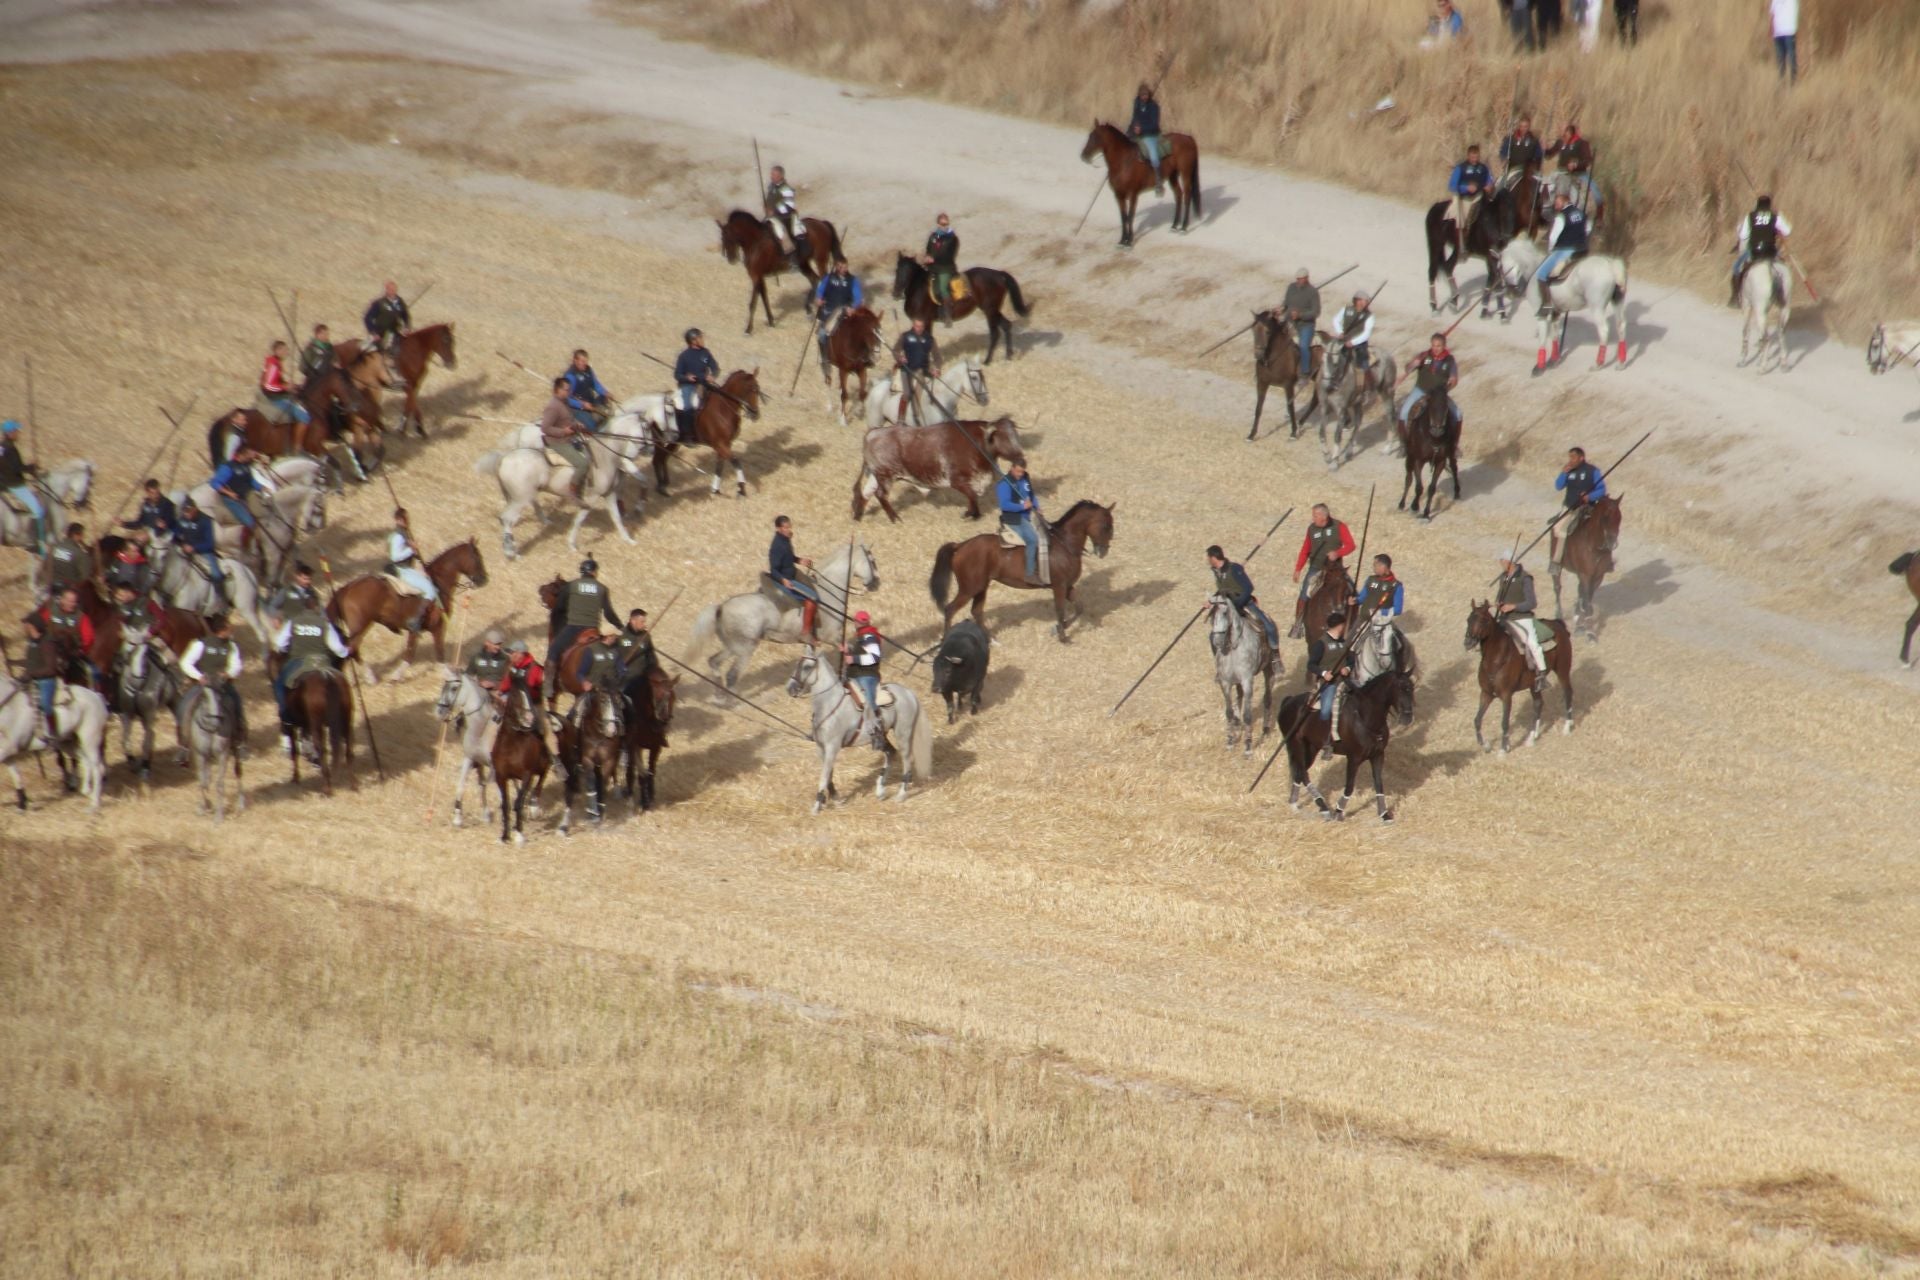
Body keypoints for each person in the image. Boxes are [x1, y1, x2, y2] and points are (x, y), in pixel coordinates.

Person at [272, 596, 352, 722]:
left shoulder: (294, 622)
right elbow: (337, 649)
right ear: (317, 609)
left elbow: (279, 643)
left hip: (298, 660)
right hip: (322, 662)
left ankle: (286, 716)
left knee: (279, 684)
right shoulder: (324, 624)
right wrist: (347, 651)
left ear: (303, 608)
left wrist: (285, 648)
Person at [547, 558, 621, 694]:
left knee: (553, 650)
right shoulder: (602, 588)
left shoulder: (572, 586)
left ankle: (549, 685)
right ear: (594, 572)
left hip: (573, 628)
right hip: (592, 630)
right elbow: (609, 613)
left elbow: (559, 608)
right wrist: (621, 627)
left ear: (582, 572)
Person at [178, 611, 245, 750]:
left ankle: (239, 741)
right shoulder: (200, 644)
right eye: (229, 626)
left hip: (223, 685)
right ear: (222, 629)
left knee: (237, 705)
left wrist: (228, 673)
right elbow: (186, 662)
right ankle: (184, 745)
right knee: (184, 706)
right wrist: (199, 676)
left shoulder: (232, 646)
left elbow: (236, 665)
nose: (232, 628)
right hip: (204, 684)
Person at [1291, 503, 1356, 636]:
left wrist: (1338, 553)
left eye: (1315, 515)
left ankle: (1354, 620)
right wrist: (1298, 568)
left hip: (1335, 569)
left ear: (1323, 516)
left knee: (1352, 590)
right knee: (1305, 593)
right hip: (1316, 568)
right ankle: (1298, 624)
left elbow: (1351, 545)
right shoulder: (1311, 529)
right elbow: (1305, 550)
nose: (1313, 518)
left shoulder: (1339, 526)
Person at [1207, 544, 1278, 649]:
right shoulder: (1217, 572)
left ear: (1213, 558)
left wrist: (1237, 603)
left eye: (1208, 557)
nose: (1207, 560)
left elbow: (1248, 587)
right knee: (1214, 635)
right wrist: (1211, 601)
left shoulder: (1235, 568)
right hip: (1228, 607)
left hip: (1244, 604)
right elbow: (1222, 590)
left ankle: (1275, 656)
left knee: (1269, 627)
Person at [1495, 555, 1548, 689]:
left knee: (1532, 643)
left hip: (1522, 618)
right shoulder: (1503, 577)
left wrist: (1513, 606)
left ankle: (1542, 674)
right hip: (1505, 618)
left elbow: (1532, 602)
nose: (1500, 563)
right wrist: (1499, 603)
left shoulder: (1525, 578)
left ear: (1510, 561)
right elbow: (1500, 596)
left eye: (1502, 560)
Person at [1307, 610, 1354, 759]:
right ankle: (1326, 741)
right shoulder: (1321, 644)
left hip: (1345, 681)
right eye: (1343, 625)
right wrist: (1323, 674)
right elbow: (1311, 664)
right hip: (1330, 684)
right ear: (1339, 626)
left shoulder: (1344, 643)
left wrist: (1348, 668)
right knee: (1326, 709)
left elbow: (1351, 660)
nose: (1343, 628)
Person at [1535, 190, 1590, 313]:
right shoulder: (1582, 213)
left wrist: (1550, 251)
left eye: (1557, 203)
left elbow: (1553, 237)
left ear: (1565, 202)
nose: (1555, 205)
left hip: (1565, 251)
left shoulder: (1561, 216)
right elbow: (1588, 229)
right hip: (1582, 250)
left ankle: (1546, 304)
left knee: (1541, 274)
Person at [1730, 195, 1791, 307]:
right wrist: (1776, 225)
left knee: (1736, 268)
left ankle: (1736, 297)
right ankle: (1781, 295)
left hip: (1754, 251)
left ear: (1757, 205)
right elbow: (1787, 231)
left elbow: (1743, 236)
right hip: (1770, 251)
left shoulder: (1750, 216)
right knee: (1782, 270)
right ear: (1769, 205)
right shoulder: (1775, 216)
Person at [538, 376, 592, 500]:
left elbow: (568, 420)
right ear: (558, 390)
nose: (569, 392)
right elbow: (545, 428)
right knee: (583, 463)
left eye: (569, 390)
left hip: (569, 439)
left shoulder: (565, 402)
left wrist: (577, 424)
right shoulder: (553, 406)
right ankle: (573, 489)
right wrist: (563, 431)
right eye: (566, 390)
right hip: (558, 443)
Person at [1398, 332, 1463, 434]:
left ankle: (1453, 444)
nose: (1435, 348)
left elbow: (1454, 380)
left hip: (1439, 394)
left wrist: (1449, 386)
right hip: (1420, 390)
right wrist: (1413, 364)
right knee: (1404, 413)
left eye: (1438, 346)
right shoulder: (1424, 356)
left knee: (1458, 415)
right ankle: (1405, 441)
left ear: (1444, 346)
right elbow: (1407, 369)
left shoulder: (1449, 360)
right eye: (1433, 345)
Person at [1551, 446, 1608, 562]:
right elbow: (1558, 486)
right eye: (1570, 457)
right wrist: (1563, 473)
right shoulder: (1568, 471)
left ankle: (1605, 559)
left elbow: (1602, 489)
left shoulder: (1593, 471)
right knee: (1560, 530)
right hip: (1570, 508)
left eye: (1573, 457)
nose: (1571, 460)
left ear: (1581, 458)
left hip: (1588, 508)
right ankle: (1557, 560)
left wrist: (1589, 497)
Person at [387, 508, 437, 633]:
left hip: (408, 568)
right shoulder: (398, 536)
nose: (408, 521)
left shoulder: (403, 533)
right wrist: (412, 549)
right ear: (398, 520)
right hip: (402, 570)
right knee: (430, 590)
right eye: (405, 519)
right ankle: (416, 620)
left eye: (407, 518)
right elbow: (395, 556)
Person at [769, 515, 820, 635]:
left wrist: (799, 560)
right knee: (812, 598)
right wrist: (784, 580)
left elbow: (787, 557)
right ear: (778, 528)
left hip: (791, 574)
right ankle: (805, 633)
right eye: (785, 527)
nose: (788, 530)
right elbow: (773, 569)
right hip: (784, 580)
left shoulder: (785, 540)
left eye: (789, 527)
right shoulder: (777, 546)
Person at [1, 419, 45, 554]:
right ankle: (35, 542)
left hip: (2, 484)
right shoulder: (11, 448)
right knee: (38, 510)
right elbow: (16, 468)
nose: (18, 433)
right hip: (14, 484)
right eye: (16, 431)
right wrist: (32, 467)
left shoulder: (1, 447)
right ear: (10, 433)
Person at [844, 609, 886, 747]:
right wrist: (848, 650)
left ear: (857, 622)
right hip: (855, 675)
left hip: (867, 675)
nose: (855, 623)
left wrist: (853, 658)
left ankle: (878, 733)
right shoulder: (861, 636)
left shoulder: (869, 636)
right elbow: (861, 653)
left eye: (856, 621)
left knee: (869, 701)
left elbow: (874, 657)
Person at [175, 495, 227, 607]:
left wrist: (194, 548)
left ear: (195, 509)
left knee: (216, 574)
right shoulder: (182, 520)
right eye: (185, 512)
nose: (187, 514)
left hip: (204, 552)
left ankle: (222, 600)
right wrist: (180, 543)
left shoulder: (205, 520)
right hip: (185, 551)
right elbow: (176, 534)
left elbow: (210, 543)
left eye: (189, 511)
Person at [811, 256, 864, 363]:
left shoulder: (852, 280)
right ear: (836, 267)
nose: (844, 269)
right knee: (822, 335)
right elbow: (820, 291)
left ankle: (860, 355)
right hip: (829, 311)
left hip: (845, 311)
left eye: (845, 266)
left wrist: (853, 308)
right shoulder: (828, 278)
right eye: (841, 267)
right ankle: (825, 357)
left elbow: (858, 297)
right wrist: (818, 299)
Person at [20, 612, 63, 747]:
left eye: (26, 625)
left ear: (33, 626)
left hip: (46, 681)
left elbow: (51, 668)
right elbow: (31, 662)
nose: (24, 627)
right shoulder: (32, 642)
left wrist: (32, 674)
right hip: (32, 679)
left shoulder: (47, 643)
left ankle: (53, 732)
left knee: (45, 705)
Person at [997, 461, 1042, 586]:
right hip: (1013, 518)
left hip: (1026, 517)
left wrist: (1037, 507)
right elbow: (1004, 505)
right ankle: (1030, 574)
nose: (1020, 474)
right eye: (1018, 471)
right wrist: (1022, 506)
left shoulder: (1025, 478)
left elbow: (1031, 495)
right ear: (1011, 468)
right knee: (1033, 540)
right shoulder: (1004, 484)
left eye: (1022, 471)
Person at [672, 329, 721, 444]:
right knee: (688, 406)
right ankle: (687, 434)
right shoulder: (684, 356)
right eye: (700, 338)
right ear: (693, 341)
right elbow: (677, 374)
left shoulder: (706, 353)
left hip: (704, 384)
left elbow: (715, 367)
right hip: (688, 386)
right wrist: (687, 378)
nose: (702, 340)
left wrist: (713, 376)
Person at [1355, 554, 1404, 663]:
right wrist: (1355, 600)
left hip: (1381, 623)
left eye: (1376, 565)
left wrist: (1380, 611)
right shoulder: (1370, 580)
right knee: (1348, 644)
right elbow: (1362, 597)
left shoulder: (1396, 586)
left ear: (1384, 566)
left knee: (1397, 647)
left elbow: (1397, 609)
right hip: (1363, 620)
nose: (1374, 568)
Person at [1273, 267, 1321, 371]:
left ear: (1307, 278)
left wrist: (1300, 315)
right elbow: (1286, 303)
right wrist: (1280, 309)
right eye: (1298, 278)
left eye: (1301, 278)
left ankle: (1304, 372)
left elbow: (1316, 312)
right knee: (1275, 340)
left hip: (1305, 325)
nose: (1299, 281)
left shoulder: (1312, 292)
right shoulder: (1291, 287)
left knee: (1303, 347)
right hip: (1289, 322)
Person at [1447, 144, 1492, 253]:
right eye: (1472, 157)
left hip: (1479, 197)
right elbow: (1452, 185)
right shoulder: (1460, 168)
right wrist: (1466, 188)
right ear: (1468, 156)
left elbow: (1489, 180)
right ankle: (1462, 243)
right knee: (1463, 219)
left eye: (1476, 157)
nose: (1474, 159)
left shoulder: (1483, 168)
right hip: (1465, 198)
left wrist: (1489, 185)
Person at [1545, 122, 1599, 212]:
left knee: (1596, 194)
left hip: (1579, 173)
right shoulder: (1560, 142)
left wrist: (1576, 165)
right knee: (1545, 183)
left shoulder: (1582, 143)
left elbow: (1588, 160)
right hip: (1560, 172)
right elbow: (1549, 154)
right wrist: (1545, 149)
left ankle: (1596, 216)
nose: (1561, 133)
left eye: (1564, 131)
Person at [764, 164, 809, 271]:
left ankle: (793, 260)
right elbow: (769, 201)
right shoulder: (772, 187)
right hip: (773, 217)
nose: (771, 176)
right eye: (771, 174)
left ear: (780, 176)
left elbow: (789, 206)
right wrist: (767, 208)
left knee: (781, 232)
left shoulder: (786, 189)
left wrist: (773, 210)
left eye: (774, 174)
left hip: (785, 217)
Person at [892, 317, 941, 414]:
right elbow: (895, 350)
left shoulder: (930, 339)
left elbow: (938, 357)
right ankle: (901, 419)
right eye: (917, 326)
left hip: (924, 372)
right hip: (907, 370)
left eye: (921, 326)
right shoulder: (905, 336)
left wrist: (936, 368)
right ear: (913, 325)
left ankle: (919, 416)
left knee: (930, 395)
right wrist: (900, 358)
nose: (919, 328)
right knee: (906, 394)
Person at [1331, 292, 1377, 394]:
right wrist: (1339, 332)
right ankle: (1334, 380)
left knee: (1362, 363)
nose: (1367, 303)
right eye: (1365, 300)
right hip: (1343, 341)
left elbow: (1366, 333)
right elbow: (1336, 320)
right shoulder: (1346, 309)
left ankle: (1367, 386)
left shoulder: (1369, 316)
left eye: (1367, 301)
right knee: (1332, 356)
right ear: (1358, 300)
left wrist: (1353, 342)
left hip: (1359, 344)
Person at [257, 341, 310, 427]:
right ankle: (297, 441)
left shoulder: (276, 363)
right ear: (277, 351)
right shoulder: (273, 365)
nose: (287, 352)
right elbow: (268, 385)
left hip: (277, 394)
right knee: (304, 417)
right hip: (274, 397)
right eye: (285, 350)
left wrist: (292, 385)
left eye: (287, 350)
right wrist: (285, 387)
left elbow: (277, 381)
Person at [560, 348, 613, 433]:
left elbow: (595, 384)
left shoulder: (588, 370)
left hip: (590, 402)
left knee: (606, 404)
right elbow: (565, 398)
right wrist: (581, 404)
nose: (585, 364)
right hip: (576, 408)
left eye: (586, 361)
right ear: (575, 360)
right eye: (582, 361)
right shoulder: (570, 376)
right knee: (592, 427)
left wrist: (605, 392)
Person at [211, 446, 260, 536]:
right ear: (240, 455)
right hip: (233, 499)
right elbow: (215, 483)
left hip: (247, 495)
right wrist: (229, 493)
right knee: (249, 522)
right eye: (247, 455)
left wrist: (261, 487)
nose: (249, 457)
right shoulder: (228, 467)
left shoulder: (246, 466)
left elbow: (251, 481)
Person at [1128, 82, 1165, 194]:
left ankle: (1158, 181)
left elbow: (1154, 124)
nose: (1144, 96)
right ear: (1139, 95)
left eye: (1146, 94)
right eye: (1142, 94)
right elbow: (1134, 118)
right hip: (1137, 133)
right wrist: (1132, 129)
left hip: (1150, 134)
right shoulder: (1137, 103)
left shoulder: (1154, 107)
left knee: (1153, 155)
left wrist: (1142, 129)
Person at [923, 213, 960, 323]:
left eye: (946, 224)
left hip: (945, 268)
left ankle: (948, 315)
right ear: (938, 224)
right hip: (932, 267)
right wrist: (927, 257)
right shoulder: (933, 236)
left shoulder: (952, 238)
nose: (944, 226)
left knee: (943, 288)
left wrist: (934, 258)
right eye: (942, 224)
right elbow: (929, 249)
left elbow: (949, 254)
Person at [45, 521, 94, 597]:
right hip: (68, 593)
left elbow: (45, 566)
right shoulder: (80, 554)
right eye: (81, 535)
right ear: (77, 535)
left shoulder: (54, 547)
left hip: (50, 589)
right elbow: (84, 578)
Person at [364, 280, 411, 353]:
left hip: (396, 332)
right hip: (380, 333)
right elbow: (367, 318)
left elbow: (406, 316)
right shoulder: (378, 303)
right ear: (386, 290)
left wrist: (407, 327)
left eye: (394, 289)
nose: (392, 291)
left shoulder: (400, 302)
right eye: (390, 289)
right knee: (368, 350)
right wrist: (373, 333)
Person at [614, 608, 658, 683]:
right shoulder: (620, 635)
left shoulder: (646, 636)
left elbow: (651, 657)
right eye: (642, 622)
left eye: (645, 622)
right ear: (633, 621)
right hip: (622, 678)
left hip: (640, 679)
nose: (645, 625)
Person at [104, 532, 153, 597]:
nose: (129, 553)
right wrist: (104, 578)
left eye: (135, 551)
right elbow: (110, 572)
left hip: (130, 598)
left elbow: (144, 588)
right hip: (113, 592)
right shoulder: (118, 559)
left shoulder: (143, 566)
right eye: (128, 549)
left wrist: (133, 595)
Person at [1500, 115, 1544, 183]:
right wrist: (1504, 159)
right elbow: (1503, 151)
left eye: (1525, 126)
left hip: (1528, 170)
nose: (1523, 129)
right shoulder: (1511, 139)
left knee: (1539, 184)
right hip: (1513, 169)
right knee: (1501, 184)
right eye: (1521, 126)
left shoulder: (1534, 140)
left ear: (1529, 127)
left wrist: (1537, 165)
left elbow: (1538, 155)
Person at [1769, 0, 1798, 83]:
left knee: (1791, 58)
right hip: (1777, 32)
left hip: (1789, 30)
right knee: (1780, 60)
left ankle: (1793, 82)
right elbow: (1772, 13)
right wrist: (1771, 28)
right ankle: (1781, 82)